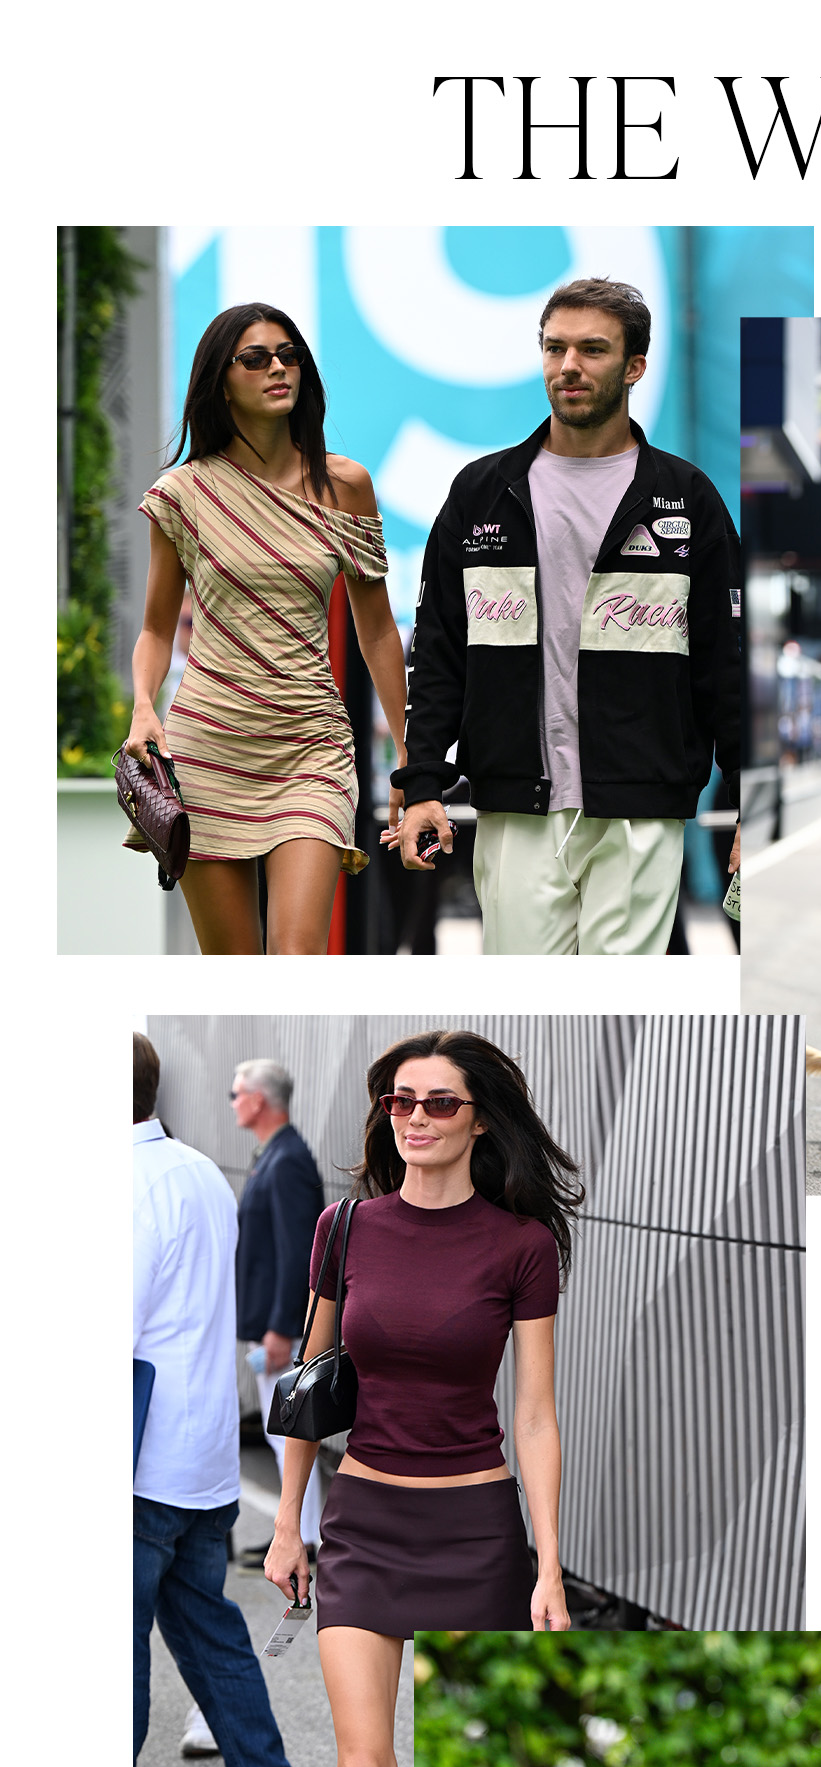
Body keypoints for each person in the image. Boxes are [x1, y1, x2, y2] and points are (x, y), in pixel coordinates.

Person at [265, 1030, 582, 1767]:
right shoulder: (346, 1227)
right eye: (400, 1100)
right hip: (365, 1521)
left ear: (480, 1119)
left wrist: (548, 1566)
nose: (415, 1118)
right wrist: (290, 1521)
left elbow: (535, 1415)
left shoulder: (521, 1245)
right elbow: (312, 1381)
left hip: (475, 1532)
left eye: (439, 1102)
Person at [393, 276, 742, 955]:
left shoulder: (687, 498)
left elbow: (721, 668)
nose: (569, 367)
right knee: (525, 1008)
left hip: (642, 805)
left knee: (620, 1010)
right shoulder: (480, 494)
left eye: (592, 350)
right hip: (513, 806)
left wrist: (746, 810)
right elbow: (437, 655)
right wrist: (422, 786)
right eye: (554, 349)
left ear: (635, 366)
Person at [124, 304, 410, 955]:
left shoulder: (345, 485)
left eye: (289, 355)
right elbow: (155, 631)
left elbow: (378, 632)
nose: (279, 367)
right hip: (209, 749)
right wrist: (144, 707)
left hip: (312, 746)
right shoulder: (182, 494)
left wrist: (410, 755)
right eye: (256, 358)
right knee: (233, 967)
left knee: (296, 957)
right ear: (221, 381)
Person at [132, 1035, 315, 1767]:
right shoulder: (203, 1169)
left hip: (137, 1461)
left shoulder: (123, 1187)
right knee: (210, 1635)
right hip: (201, 1458)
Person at [231, 1058, 326, 1557]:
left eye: (235, 1094)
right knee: (282, 1436)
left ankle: (305, 1537)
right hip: (272, 1323)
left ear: (258, 1099)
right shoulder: (275, 1154)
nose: (232, 1104)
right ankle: (298, 1532)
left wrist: (281, 1329)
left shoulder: (287, 1159)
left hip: (280, 1328)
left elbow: (298, 1253)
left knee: (288, 1437)